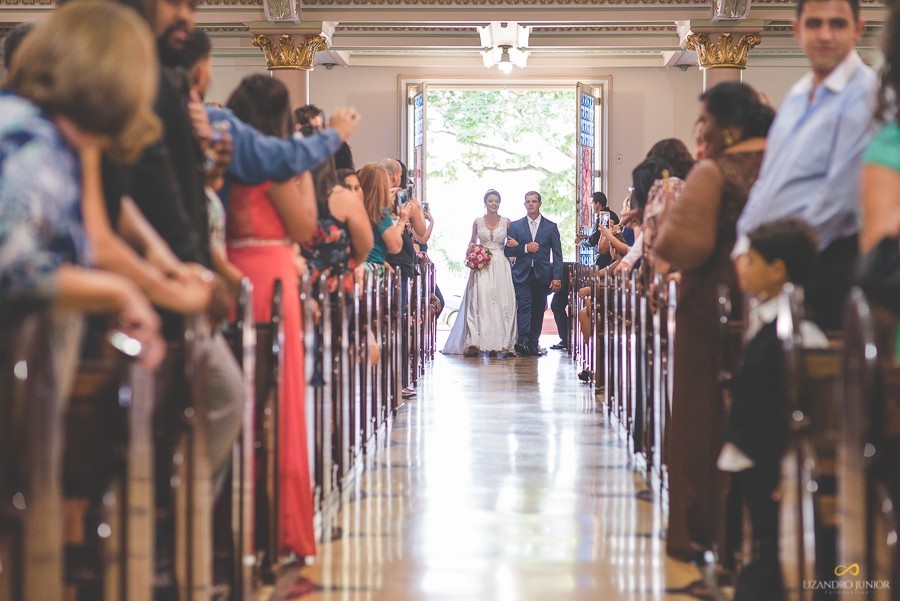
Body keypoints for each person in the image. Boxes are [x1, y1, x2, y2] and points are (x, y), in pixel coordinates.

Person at [654, 81, 775, 563]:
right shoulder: (782, 160)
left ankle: (704, 524)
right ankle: (756, 527)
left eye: (704, 120)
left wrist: (667, 219)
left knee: (703, 412)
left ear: (727, 126)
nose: (699, 130)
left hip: (716, 298)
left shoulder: (715, 171)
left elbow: (681, 247)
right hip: (771, 295)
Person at [734, 0, 877, 330]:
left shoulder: (865, 92)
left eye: (837, 24)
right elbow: (767, 182)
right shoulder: (798, 95)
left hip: (824, 263)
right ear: (797, 30)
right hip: (774, 263)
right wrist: (744, 246)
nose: (825, 35)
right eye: (814, 24)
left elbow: (839, 198)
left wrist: (776, 258)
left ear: (858, 30)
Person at [224, 74, 319, 561]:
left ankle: (234, 518)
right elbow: (304, 227)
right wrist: (304, 172)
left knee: (242, 394)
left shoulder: (226, 156)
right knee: (278, 398)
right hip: (271, 277)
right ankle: (276, 524)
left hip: (230, 271)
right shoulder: (275, 164)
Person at [718, 218, 825, 601]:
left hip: (772, 463)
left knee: (771, 547)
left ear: (778, 269)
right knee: (759, 539)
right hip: (752, 454)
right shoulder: (766, 316)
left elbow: (802, 408)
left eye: (752, 259)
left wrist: (787, 469)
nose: (743, 266)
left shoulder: (796, 332)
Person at [443, 189, 518, 356]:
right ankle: (476, 340)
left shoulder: (506, 222)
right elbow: (472, 241)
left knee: (501, 301)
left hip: (501, 264)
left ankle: (502, 341)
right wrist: (473, 255)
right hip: (482, 264)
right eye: (491, 200)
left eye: (497, 201)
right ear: (485, 203)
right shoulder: (477, 222)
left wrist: (515, 246)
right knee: (481, 300)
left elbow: (512, 243)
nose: (494, 203)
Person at [504, 191, 563, 357]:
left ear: (539, 204)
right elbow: (508, 251)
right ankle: (522, 342)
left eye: (534, 201)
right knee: (523, 308)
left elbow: (557, 255)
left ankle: (533, 343)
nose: (531, 204)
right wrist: (525, 247)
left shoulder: (550, 227)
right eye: (528, 201)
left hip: (542, 275)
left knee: (538, 309)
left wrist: (557, 277)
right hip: (522, 274)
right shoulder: (516, 226)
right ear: (524, 204)